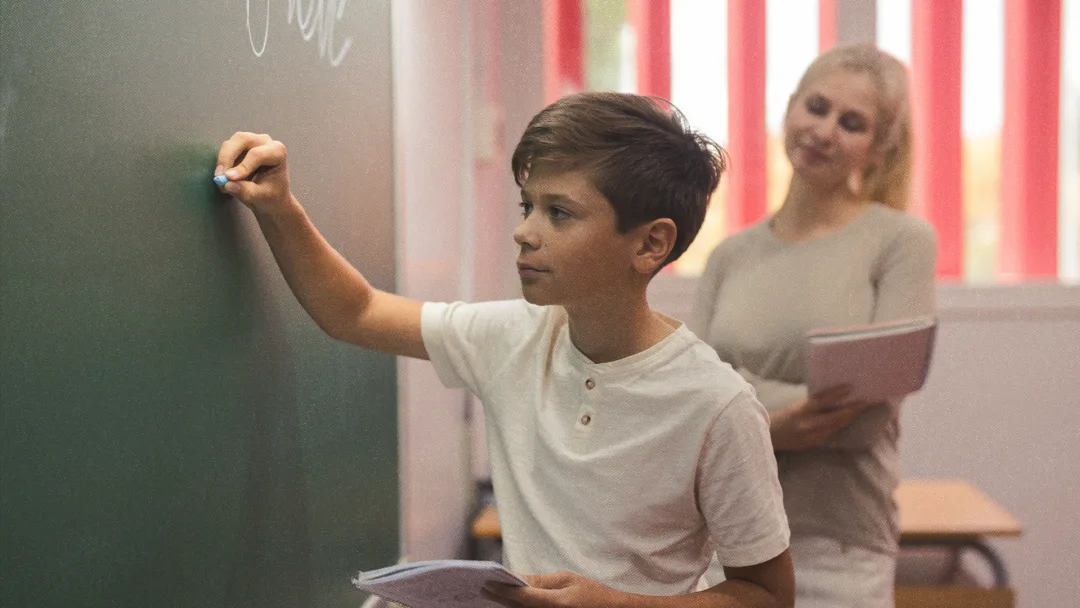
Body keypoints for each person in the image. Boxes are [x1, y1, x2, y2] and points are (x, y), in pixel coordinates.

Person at [215, 92, 794, 607]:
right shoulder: (514, 337)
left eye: (559, 212)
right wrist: (280, 207)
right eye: (527, 206)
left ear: (650, 243)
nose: (525, 230)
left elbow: (766, 594)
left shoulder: (717, 405)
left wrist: (613, 605)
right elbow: (356, 311)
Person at [689, 43, 937, 608]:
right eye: (817, 107)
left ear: (879, 149)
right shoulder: (729, 255)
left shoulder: (901, 242)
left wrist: (741, 406)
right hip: (722, 540)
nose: (825, 131)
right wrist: (780, 421)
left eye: (852, 123)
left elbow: (863, 417)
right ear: (789, 110)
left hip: (837, 549)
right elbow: (691, 399)